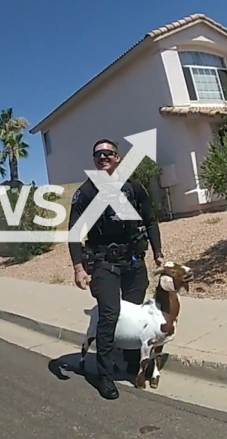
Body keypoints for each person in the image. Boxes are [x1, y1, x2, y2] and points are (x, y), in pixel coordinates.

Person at [68, 138, 163, 400]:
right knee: (110, 315)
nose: (103, 157)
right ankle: (104, 374)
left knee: (133, 316)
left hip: (133, 263)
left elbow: (151, 221)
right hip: (103, 263)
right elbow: (74, 233)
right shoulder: (86, 192)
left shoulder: (132, 187)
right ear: (93, 160)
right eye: (98, 154)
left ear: (117, 157)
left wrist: (158, 252)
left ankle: (133, 363)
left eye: (108, 153)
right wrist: (79, 268)